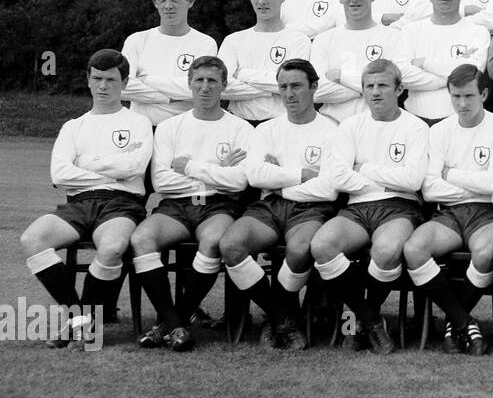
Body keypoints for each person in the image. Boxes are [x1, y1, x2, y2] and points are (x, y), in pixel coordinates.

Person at [20, 49, 152, 346]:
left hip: (121, 203)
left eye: (110, 79)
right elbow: (59, 175)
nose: (103, 86)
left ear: (125, 82)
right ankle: (81, 318)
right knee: (32, 239)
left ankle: (81, 324)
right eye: (97, 79)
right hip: (78, 203)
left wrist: (86, 163)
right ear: (88, 80)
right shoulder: (73, 126)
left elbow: (134, 168)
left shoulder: (138, 122)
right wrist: (110, 170)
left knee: (113, 247)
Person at [131, 56, 253, 351]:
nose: (205, 87)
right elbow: (162, 182)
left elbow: (237, 182)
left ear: (225, 85)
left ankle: (170, 323)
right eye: (198, 80)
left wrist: (189, 166)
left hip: (218, 205)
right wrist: (216, 168)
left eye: (213, 80)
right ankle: (175, 323)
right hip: (175, 206)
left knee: (213, 241)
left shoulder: (241, 128)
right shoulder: (170, 127)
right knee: (142, 238)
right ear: (189, 84)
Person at [310, 59, 430, 355]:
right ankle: (371, 321)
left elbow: (413, 180)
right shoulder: (350, 126)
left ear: (399, 89)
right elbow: (339, 176)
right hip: (357, 207)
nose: (375, 92)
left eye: (383, 86)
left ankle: (362, 321)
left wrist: (363, 169)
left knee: (387, 251)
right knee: (322, 246)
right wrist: (385, 180)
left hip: (399, 207)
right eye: (369, 86)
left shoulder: (416, 126)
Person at [217, 59, 338, 350]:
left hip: (312, 208)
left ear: (314, 88)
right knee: (231, 245)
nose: (289, 94)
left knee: (298, 250)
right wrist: (301, 174)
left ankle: (278, 320)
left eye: (296, 86)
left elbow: (330, 188)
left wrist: (279, 180)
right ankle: (283, 317)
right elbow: (256, 175)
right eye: (283, 87)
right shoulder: (266, 130)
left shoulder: (333, 130)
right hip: (269, 207)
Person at [403, 65, 493, 355]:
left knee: (485, 252)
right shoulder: (440, 130)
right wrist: (476, 186)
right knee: (415, 249)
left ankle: (455, 325)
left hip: (489, 213)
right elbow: (429, 189)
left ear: (484, 94)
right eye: (456, 96)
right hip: (450, 213)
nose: (462, 104)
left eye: (469, 96)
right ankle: (463, 320)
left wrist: (451, 175)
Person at [310, 0, 412, 124]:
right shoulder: (323, 40)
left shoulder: (393, 38)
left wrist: (342, 77)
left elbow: (396, 86)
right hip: (332, 125)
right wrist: (374, 87)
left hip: (379, 126)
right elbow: (316, 92)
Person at [400, 0, 490, 126]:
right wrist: (451, 75)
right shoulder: (410, 32)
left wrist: (425, 62)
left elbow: (470, 77)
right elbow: (402, 76)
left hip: (460, 123)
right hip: (414, 122)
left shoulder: (478, 32)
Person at [120, 0, 219, 126]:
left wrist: (145, 81)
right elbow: (122, 88)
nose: (168, 5)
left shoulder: (205, 43)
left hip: (186, 129)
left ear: (190, 1)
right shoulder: (136, 40)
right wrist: (169, 98)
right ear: (155, 2)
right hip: (142, 129)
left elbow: (200, 90)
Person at [218, 0, 312, 125]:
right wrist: (271, 88)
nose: (261, 1)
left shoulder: (299, 40)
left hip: (281, 124)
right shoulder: (233, 41)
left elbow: (294, 86)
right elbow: (222, 88)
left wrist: (242, 75)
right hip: (238, 123)